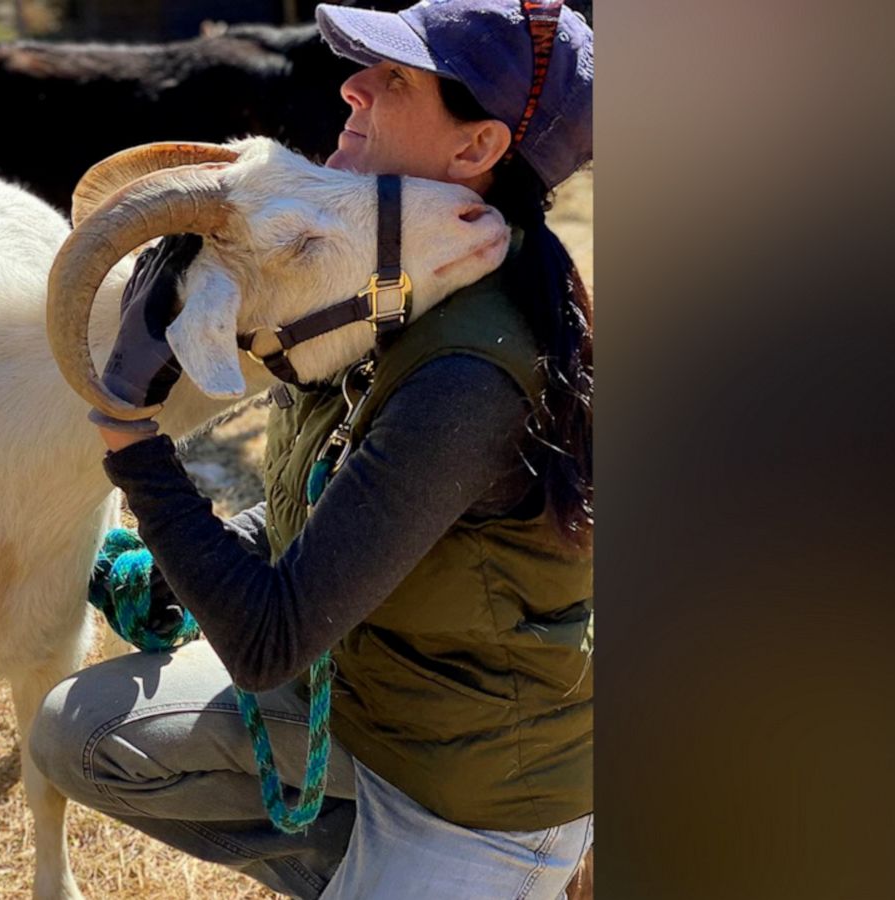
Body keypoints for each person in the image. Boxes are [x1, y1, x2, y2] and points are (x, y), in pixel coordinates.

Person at [29, 2, 594, 897]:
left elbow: (267, 644)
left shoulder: (470, 369)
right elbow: (332, 495)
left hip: (476, 786)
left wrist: (129, 437)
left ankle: (516, 876)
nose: (351, 86)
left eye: (396, 79)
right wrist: (194, 564)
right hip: (370, 708)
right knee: (79, 735)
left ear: (476, 148)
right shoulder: (387, 276)